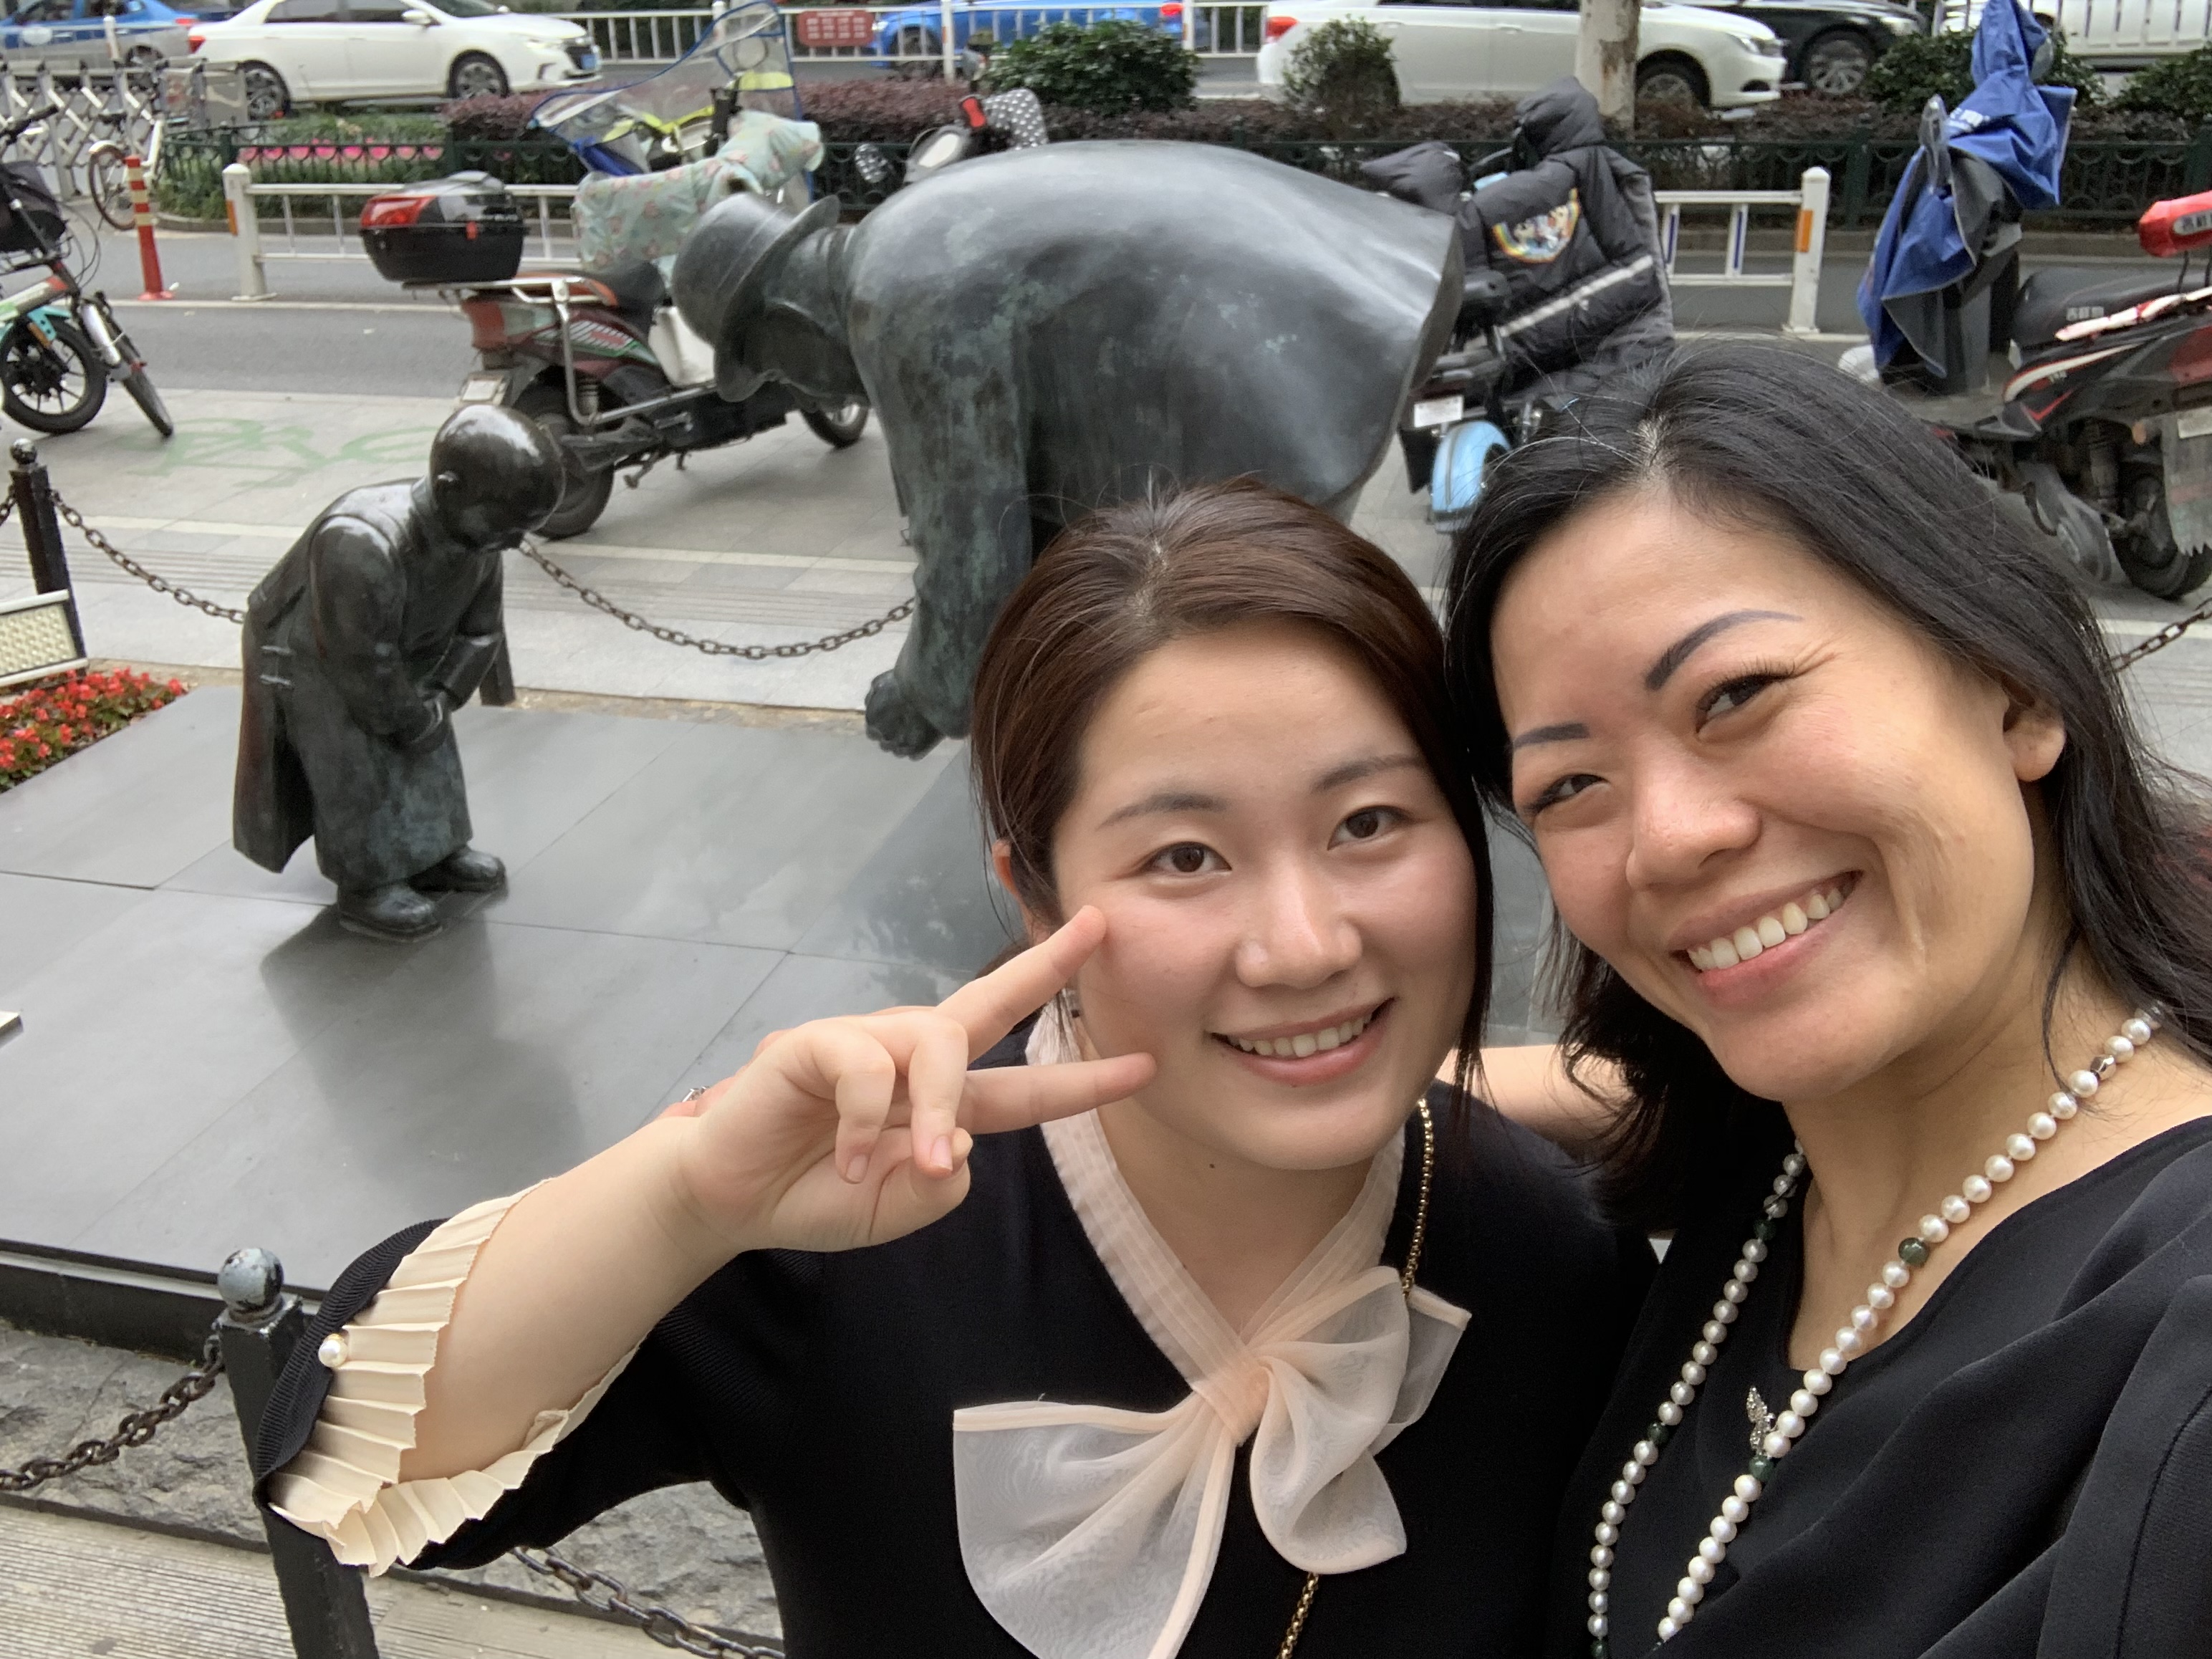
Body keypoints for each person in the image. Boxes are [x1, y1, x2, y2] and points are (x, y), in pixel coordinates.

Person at [247, 480, 1647, 1658]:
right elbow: (352, 1461)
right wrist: (686, 1197)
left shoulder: (1550, 1260)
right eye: (1184, 856)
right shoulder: (859, 1221)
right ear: (1032, 896)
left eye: (1367, 822)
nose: (1298, 944)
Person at [1444, 342, 2212, 1658]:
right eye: (1569, 786)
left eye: (1735, 697)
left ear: (2013, 687)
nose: (1667, 840)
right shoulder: (1785, 1164)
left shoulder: (2173, 1356)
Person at [668, 147, 1463, 759]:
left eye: (775, 370)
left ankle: (1272, 810)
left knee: (1237, 642)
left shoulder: (897, 300)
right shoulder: (905, 233)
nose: (802, 390)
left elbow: (974, 554)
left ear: (782, 321)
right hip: (1365, 276)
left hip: (1287, 342)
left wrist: (919, 694)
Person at [231, 405, 564, 943]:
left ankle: (435, 851)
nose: (513, 542)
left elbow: (481, 632)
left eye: (522, 529)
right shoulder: (362, 539)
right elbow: (362, 660)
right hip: (312, 654)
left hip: (400, 653)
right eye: (508, 526)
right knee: (353, 752)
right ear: (451, 488)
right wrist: (408, 717)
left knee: (430, 740)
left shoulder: (483, 534)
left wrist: (441, 696)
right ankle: (366, 883)